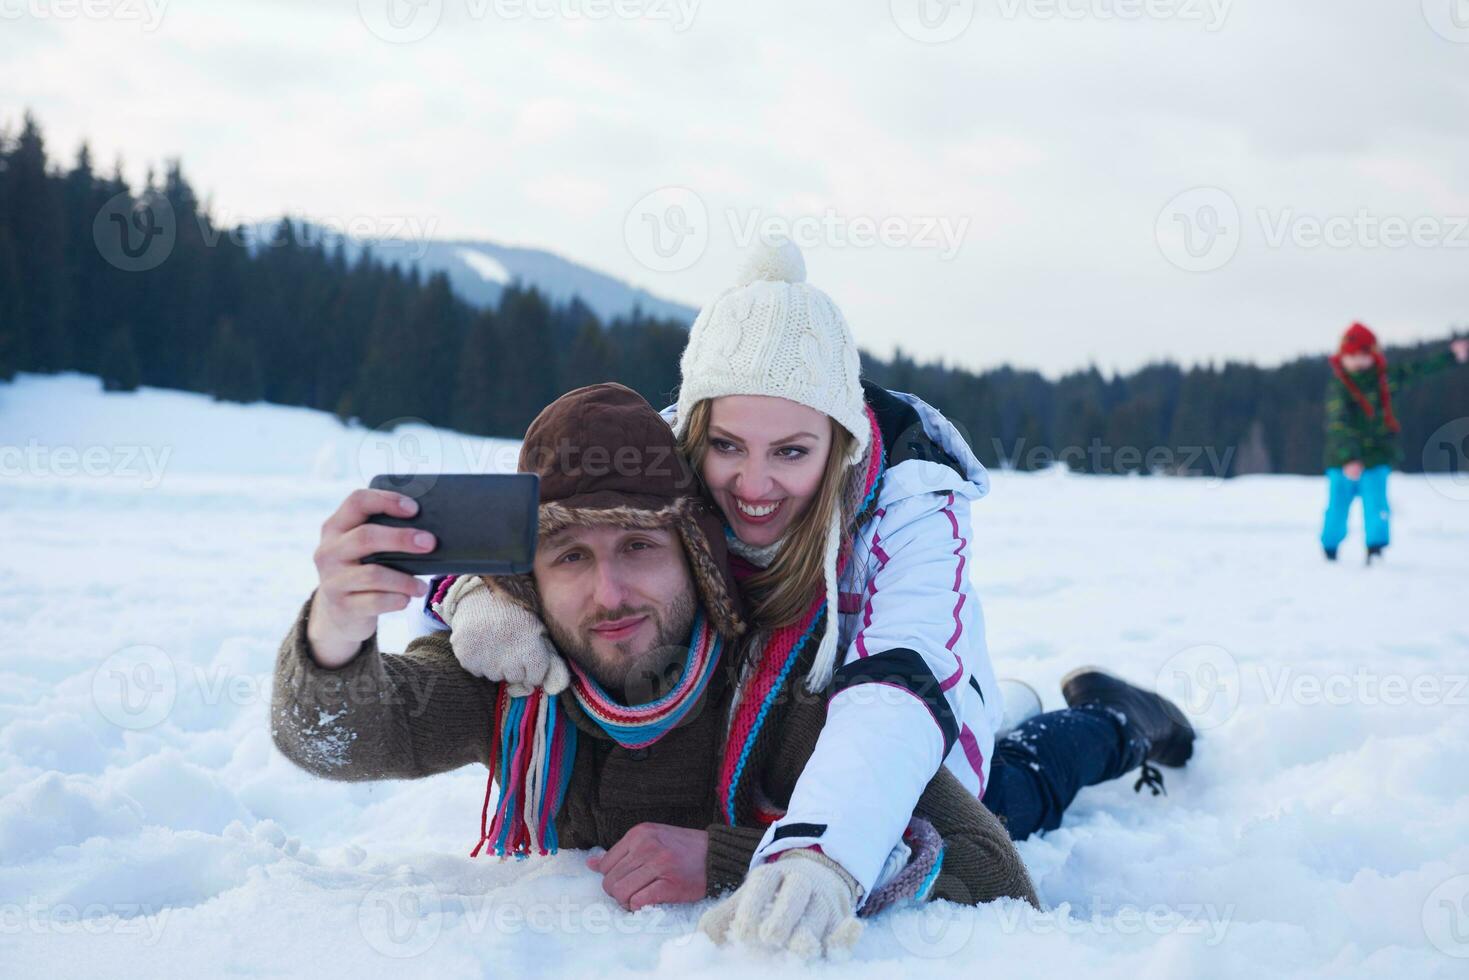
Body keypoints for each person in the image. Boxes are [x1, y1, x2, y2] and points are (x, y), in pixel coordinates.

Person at [437, 239, 1197, 943]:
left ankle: (1115, 720)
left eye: (791, 452)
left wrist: (819, 854)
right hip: (765, 736)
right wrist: (477, 590)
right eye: (728, 447)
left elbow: (896, 682)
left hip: (906, 721)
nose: (755, 485)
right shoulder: (659, 454)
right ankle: (1013, 703)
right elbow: (489, 528)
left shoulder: (911, 503)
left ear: (840, 443)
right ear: (694, 428)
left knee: (1005, 791)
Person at [273, 383, 1038, 961]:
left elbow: (987, 866)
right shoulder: (513, 666)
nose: (609, 595)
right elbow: (341, 738)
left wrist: (730, 859)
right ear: (530, 580)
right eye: (570, 556)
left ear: (697, 558)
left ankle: (1103, 725)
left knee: (1016, 785)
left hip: (927, 725)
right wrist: (336, 623)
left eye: (638, 546)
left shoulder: (786, 689)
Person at [1319, 323, 1469, 563]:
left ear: (1373, 354)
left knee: (1377, 506)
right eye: (1352, 355)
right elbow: (1338, 426)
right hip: (1342, 461)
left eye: (1363, 355)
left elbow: (1419, 369)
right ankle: (1330, 549)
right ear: (1343, 356)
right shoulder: (1340, 387)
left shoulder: (1384, 379)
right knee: (1337, 509)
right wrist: (1349, 458)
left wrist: (1450, 356)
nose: (1358, 361)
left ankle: (1375, 550)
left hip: (1377, 456)